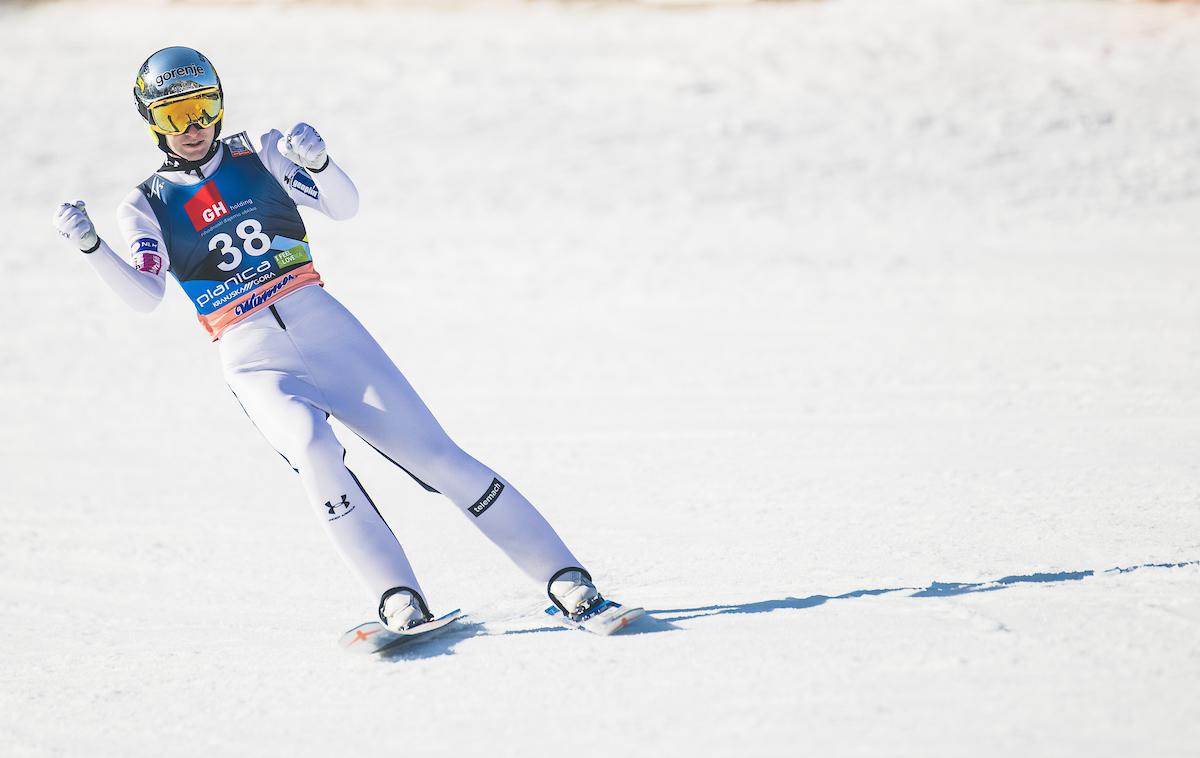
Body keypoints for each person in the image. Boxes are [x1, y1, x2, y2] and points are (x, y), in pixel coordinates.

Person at [53, 46, 630, 635]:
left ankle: (565, 578)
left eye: (203, 108)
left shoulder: (262, 152)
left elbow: (344, 207)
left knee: (435, 456)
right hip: (251, 356)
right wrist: (93, 250)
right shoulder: (144, 203)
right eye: (175, 116)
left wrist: (324, 165)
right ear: (151, 121)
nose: (193, 128)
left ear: (221, 105)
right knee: (312, 452)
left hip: (323, 325)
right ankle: (397, 597)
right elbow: (145, 295)